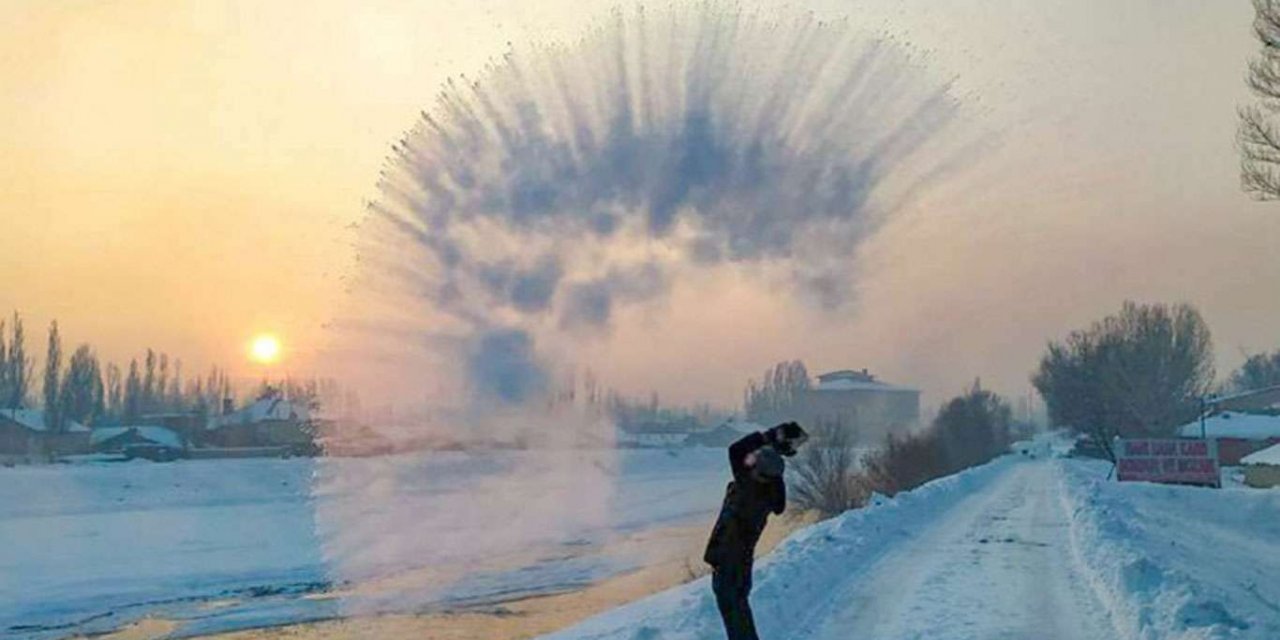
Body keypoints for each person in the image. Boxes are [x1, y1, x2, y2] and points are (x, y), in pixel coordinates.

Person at [703, 421, 809, 640]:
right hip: (741, 560)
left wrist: (768, 437)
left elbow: (736, 450)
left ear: (758, 470)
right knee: (739, 610)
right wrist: (775, 450)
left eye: (753, 462)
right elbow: (778, 499)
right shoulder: (770, 491)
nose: (749, 462)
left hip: (729, 560)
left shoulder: (748, 487)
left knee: (734, 612)